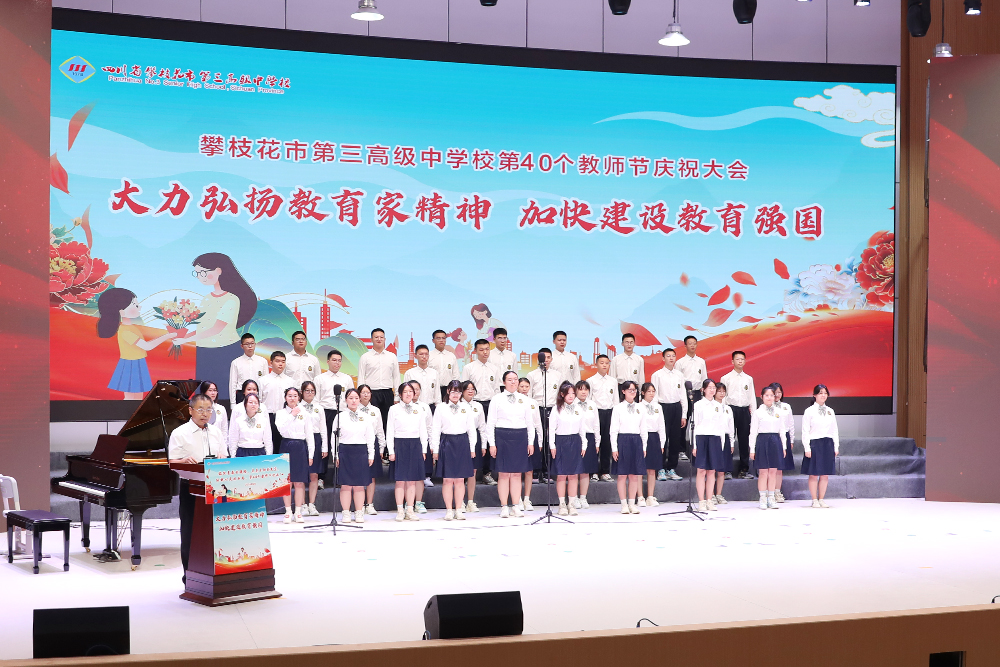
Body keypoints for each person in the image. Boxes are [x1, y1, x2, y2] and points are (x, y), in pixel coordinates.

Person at [181, 253, 257, 401]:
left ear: (219, 270)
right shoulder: (207, 298)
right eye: (197, 273)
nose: (201, 277)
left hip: (224, 350)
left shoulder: (232, 299)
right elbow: (202, 327)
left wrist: (186, 340)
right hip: (204, 350)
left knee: (224, 394)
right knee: (203, 395)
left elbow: (216, 329)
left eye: (203, 272)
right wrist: (185, 337)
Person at [168, 394, 226, 583]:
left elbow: (225, 457)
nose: (205, 414)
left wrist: (222, 459)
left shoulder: (216, 432)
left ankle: (216, 573)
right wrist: (183, 461)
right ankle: (190, 575)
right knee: (190, 532)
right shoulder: (180, 433)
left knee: (215, 531)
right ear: (190, 410)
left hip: (215, 487)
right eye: (200, 410)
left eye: (209, 410)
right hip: (191, 488)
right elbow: (172, 463)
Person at [96, 288, 176, 400]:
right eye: (135, 305)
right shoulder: (125, 331)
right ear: (122, 311)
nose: (140, 307)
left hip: (138, 362)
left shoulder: (130, 328)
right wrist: (167, 336)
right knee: (130, 397)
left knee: (138, 396)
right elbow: (147, 346)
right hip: (130, 365)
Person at [487, 371, 536, 518]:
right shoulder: (496, 399)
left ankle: (515, 506)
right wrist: (492, 443)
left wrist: (531, 442)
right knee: (503, 474)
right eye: (510, 379)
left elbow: (530, 422)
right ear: (504, 382)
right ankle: (504, 506)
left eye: (515, 379)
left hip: (520, 436)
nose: (513, 382)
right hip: (502, 436)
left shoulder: (524, 399)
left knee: (516, 474)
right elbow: (490, 423)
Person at [431, 381, 477, 520]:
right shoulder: (441, 407)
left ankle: (458, 509)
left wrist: (472, 448)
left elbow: (471, 429)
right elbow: (435, 429)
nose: (456, 394)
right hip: (447, 443)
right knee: (447, 480)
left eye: (458, 392)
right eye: (453, 391)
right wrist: (435, 449)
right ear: (448, 392)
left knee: (460, 480)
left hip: (462, 443)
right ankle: (449, 510)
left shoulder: (466, 407)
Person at [387, 382, 428, 521]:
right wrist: (391, 450)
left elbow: (423, 430)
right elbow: (390, 431)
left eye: (410, 391)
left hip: (415, 444)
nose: (408, 394)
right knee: (400, 481)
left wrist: (423, 449)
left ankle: (410, 509)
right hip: (399, 444)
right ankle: (400, 510)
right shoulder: (393, 409)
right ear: (400, 394)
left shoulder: (419, 409)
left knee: (411, 481)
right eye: (405, 391)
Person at [335, 388, 376, 524]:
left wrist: (371, 454)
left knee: (359, 485)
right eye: (350, 398)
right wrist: (335, 454)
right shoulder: (340, 416)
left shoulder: (366, 417)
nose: (353, 401)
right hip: (345, 451)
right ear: (346, 400)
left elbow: (370, 436)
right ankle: (346, 512)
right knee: (345, 485)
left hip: (361, 451)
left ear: (359, 400)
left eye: (356, 398)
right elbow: (334, 438)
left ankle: (359, 512)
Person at [691, 379, 731, 512]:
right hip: (701, 438)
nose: (712, 390)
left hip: (715, 439)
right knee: (701, 471)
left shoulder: (719, 406)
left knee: (712, 471)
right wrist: (694, 445)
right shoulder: (698, 405)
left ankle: (709, 500)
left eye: (714, 387)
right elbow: (695, 425)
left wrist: (722, 444)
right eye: (709, 387)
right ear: (703, 390)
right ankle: (701, 501)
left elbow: (721, 426)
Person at [275, 387, 313, 523]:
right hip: (286, 445)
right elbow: (281, 429)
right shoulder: (280, 413)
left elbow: (309, 434)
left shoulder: (305, 413)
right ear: (285, 398)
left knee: (299, 482)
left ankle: (298, 511)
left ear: (299, 398)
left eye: (295, 396)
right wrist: (292, 415)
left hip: (300, 447)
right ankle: (288, 511)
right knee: (287, 481)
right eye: (290, 396)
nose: (292, 398)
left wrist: (311, 454)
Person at [404, 345, 440, 490]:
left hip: (429, 407)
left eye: (426, 354)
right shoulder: (410, 373)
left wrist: (437, 407)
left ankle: (427, 475)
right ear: (416, 356)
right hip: (411, 407)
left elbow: (437, 393)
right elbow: (404, 389)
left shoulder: (434, 373)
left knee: (428, 439)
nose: (424, 357)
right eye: (421, 354)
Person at [549, 381, 587, 516]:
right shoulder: (556, 409)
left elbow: (582, 429)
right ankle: (562, 504)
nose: (571, 396)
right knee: (561, 475)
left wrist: (584, 444)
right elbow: (551, 429)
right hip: (561, 442)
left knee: (573, 475)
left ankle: (571, 503)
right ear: (562, 394)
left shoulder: (579, 409)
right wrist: (552, 445)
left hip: (575, 442)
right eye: (568, 393)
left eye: (573, 393)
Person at [650, 348, 687, 482]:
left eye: (673, 356)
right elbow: (653, 396)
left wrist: (684, 414)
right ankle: (660, 469)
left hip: (676, 407)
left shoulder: (679, 375)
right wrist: (655, 413)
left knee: (675, 440)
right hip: (662, 408)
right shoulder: (657, 375)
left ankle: (671, 468)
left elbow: (683, 395)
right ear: (663, 358)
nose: (671, 358)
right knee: (662, 439)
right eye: (668, 356)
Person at [357, 328, 400, 439]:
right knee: (370, 420)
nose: (379, 339)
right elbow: (361, 377)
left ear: (385, 339)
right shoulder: (365, 357)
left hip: (387, 393)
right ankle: (371, 445)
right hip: (371, 393)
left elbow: (396, 377)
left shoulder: (392, 356)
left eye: (381, 337)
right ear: (372, 339)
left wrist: (397, 396)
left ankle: (386, 447)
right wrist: (361, 396)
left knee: (387, 421)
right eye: (376, 337)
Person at [611, 381, 647, 514]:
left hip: (636, 441)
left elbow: (644, 428)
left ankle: (632, 503)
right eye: (630, 390)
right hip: (623, 440)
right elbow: (613, 430)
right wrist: (614, 448)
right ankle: (623, 504)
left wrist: (644, 446)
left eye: (634, 390)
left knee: (634, 475)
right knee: (622, 475)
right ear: (623, 391)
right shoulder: (618, 408)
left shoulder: (640, 407)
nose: (633, 392)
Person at [315, 348, 354, 471]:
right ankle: (322, 474)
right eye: (334, 360)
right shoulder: (319, 378)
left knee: (343, 442)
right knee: (325, 442)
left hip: (342, 413)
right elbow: (316, 400)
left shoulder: (347, 378)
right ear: (328, 361)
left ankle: (343, 473)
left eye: (339, 360)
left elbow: (351, 398)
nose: (337, 363)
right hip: (326, 413)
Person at [527, 347, 562, 483]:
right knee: (537, 440)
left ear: (551, 359)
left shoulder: (557, 375)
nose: (546, 360)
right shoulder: (532, 375)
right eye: (543, 357)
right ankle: (536, 471)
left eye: (548, 357)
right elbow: (529, 395)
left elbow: (560, 394)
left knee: (549, 440)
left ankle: (547, 471)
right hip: (537, 409)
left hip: (552, 409)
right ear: (538, 359)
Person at [801, 384, 839, 508]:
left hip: (827, 443)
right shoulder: (809, 411)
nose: (823, 395)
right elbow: (805, 431)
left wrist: (836, 446)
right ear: (815, 395)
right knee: (813, 473)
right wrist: (807, 448)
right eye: (820, 393)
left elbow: (834, 430)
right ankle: (814, 499)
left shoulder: (830, 411)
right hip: (814, 443)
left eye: (825, 393)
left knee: (825, 474)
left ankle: (821, 499)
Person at [721, 350, 757, 481]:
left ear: (745, 361)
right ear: (732, 361)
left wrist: (754, 415)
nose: (740, 361)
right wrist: (723, 413)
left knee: (744, 441)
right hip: (730, 410)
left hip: (744, 411)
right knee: (728, 439)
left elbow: (752, 397)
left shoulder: (749, 379)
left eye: (742, 359)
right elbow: (723, 397)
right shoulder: (726, 378)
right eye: (737, 359)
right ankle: (727, 470)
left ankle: (744, 470)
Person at [749, 386, 786, 510]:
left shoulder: (779, 412)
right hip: (762, 441)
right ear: (762, 397)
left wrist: (784, 447)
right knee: (763, 472)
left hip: (775, 441)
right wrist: (752, 449)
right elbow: (753, 432)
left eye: (771, 395)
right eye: (767, 395)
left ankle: (771, 497)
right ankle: (763, 498)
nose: (769, 398)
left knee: (773, 471)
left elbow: (782, 430)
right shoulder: (758, 412)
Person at [588, 354, 618, 482]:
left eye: (606, 363)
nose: (604, 365)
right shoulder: (591, 381)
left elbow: (615, 400)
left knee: (607, 442)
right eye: (601, 363)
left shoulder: (613, 381)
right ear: (596, 364)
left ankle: (605, 471)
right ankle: (593, 471)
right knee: (595, 442)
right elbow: (588, 400)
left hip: (610, 413)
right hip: (596, 413)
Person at [358, 384, 387, 515]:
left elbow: (380, 430)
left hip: (373, 443)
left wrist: (381, 448)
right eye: (363, 392)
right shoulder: (354, 410)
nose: (366, 395)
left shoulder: (376, 410)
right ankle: (359, 505)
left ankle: (369, 504)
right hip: (358, 443)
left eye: (368, 392)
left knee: (372, 476)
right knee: (358, 475)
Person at [300, 381, 328, 517]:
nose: (310, 393)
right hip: (301, 440)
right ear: (302, 392)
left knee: (314, 474)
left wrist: (325, 446)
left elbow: (323, 428)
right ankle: (302, 505)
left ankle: (312, 504)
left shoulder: (319, 408)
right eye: (307, 390)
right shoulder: (297, 407)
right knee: (300, 474)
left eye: (312, 391)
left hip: (316, 439)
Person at [460, 380, 487, 513]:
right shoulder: (457, 405)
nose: (470, 391)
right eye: (468, 389)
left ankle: (470, 501)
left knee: (473, 472)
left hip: (475, 438)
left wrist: (483, 444)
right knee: (460, 471)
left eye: (472, 389)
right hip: (461, 437)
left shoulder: (478, 406)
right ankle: (460, 502)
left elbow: (482, 426)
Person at [408, 380, 435, 514]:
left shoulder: (425, 407)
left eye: (417, 389)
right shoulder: (399, 408)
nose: (414, 392)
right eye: (411, 389)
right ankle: (407, 504)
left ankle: (418, 502)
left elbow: (430, 427)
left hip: (421, 443)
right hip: (406, 443)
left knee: (420, 475)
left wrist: (432, 444)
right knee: (407, 476)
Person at [517, 377, 544, 511]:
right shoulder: (515, 401)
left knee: (529, 470)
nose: (524, 389)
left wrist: (540, 441)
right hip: (519, 436)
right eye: (521, 386)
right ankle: (517, 499)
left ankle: (527, 499)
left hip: (532, 437)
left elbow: (537, 423)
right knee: (517, 470)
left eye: (526, 386)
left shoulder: (533, 402)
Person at [639, 382, 666, 507]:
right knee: (639, 469)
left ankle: (650, 496)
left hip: (654, 437)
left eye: (653, 391)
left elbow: (661, 426)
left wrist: (662, 443)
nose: (651, 393)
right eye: (648, 391)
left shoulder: (658, 407)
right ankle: (640, 497)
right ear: (643, 393)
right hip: (641, 437)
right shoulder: (638, 406)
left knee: (652, 469)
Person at [574, 380, 599, 509]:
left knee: (586, 470)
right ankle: (574, 497)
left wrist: (597, 441)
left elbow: (596, 424)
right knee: (575, 469)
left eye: (586, 389)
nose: (583, 392)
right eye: (580, 389)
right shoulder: (572, 404)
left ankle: (583, 497)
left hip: (589, 436)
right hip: (575, 437)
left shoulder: (592, 405)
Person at [261, 351, 290, 453]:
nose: (280, 364)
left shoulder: (290, 381)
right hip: (268, 416)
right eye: (277, 361)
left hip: (286, 417)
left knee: (283, 446)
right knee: (269, 446)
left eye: (283, 361)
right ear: (271, 363)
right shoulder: (262, 381)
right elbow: (259, 401)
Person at [771, 382, 795, 503]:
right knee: (771, 467)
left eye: (779, 392)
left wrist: (791, 439)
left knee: (779, 468)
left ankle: (777, 491)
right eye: (774, 392)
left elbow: (791, 424)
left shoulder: (786, 406)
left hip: (784, 437)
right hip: (771, 437)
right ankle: (769, 492)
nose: (777, 395)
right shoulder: (765, 408)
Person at [227, 393, 273, 457]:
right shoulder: (238, 421)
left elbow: (268, 440)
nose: (253, 404)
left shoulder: (264, 420)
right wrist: (233, 455)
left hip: (259, 452)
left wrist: (269, 456)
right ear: (245, 404)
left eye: (256, 403)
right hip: (242, 452)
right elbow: (233, 440)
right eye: (250, 402)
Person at [712, 382, 735, 505]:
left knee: (721, 470)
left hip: (725, 438)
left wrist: (731, 442)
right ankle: (710, 494)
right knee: (711, 469)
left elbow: (731, 427)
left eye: (723, 391)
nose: (721, 393)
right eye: (719, 391)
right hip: (714, 437)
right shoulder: (710, 406)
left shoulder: (728, 408)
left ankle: (719, 494)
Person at [229, 333, 268, 403]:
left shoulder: (263, 361)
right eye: (247, 344)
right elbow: (233, 384)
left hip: (258, 394)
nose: (250, 346)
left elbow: (266, 383)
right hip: (241, 395)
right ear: (242, 346)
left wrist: (264, 401)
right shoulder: (236, 362)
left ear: (255, 344)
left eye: (252, 343)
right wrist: (233, 403)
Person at [610, 333, 644, 400]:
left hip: (634, 389)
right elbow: (612, 378)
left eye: (631, 342)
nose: (629, 344)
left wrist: (640, 395)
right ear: (622, 344)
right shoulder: (616, 359)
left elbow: (641, 378)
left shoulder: (639, 359)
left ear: (634, 344)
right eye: (627, 342)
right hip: (621, 389)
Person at [429, 329, 460, 401]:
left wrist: (455, 390)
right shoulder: (429, 356)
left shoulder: (451, 356)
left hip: (448, 390)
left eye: (443, 338)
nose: (441, 340)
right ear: (433, 340)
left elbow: (456, 375)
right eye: (438, 338)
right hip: (433, 389)